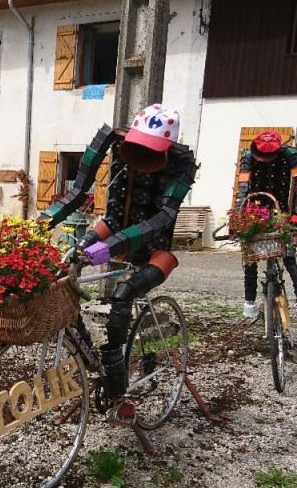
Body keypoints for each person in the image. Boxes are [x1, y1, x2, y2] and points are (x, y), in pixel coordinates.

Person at [39, 103, 196, 424]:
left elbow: (164, 217)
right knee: (66, 271)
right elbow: (77, 192)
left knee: (123, 294)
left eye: (151, 149)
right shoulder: (110, 139)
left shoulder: (182, 163)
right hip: (113, 228)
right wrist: (36, 226)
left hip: (156, 248)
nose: (140, 153)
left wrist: (110, 247)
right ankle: (93, 363)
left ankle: (119, 392)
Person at [233, 130, 297, 340]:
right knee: (250, 256)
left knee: (290, 261)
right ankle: (249, 302)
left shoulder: (291, 155)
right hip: (256, 212)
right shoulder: (248, 157)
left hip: (284, 213)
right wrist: (238, 217)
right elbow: (242, 187)